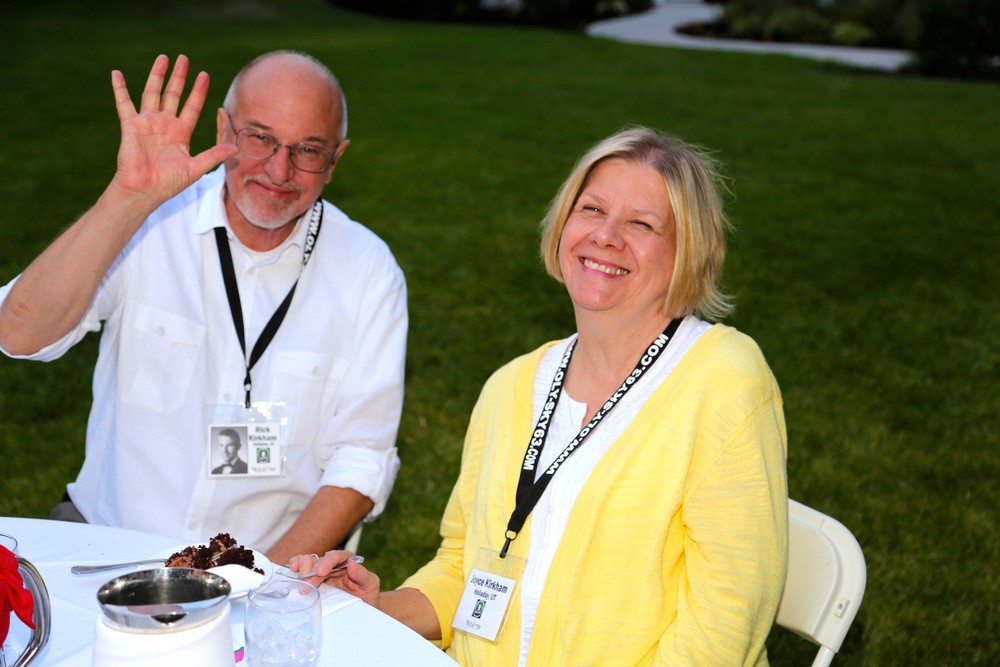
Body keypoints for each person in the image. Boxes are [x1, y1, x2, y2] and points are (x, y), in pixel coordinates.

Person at [293, 128, 788, 665]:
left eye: (642, 224)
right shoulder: (511, 387)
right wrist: (376, 608)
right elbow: (464, 567)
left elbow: (725, 621)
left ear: (687, 250)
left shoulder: (723, 380)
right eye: (592, 209)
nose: (606, 236)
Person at [0, 52, 408, 565]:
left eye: (307, 149)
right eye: (259, 138)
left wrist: (262, 583)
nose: (279, 170)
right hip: (107, 545)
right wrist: (126, 201)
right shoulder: (150, 220)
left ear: (335, 160)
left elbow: (361, 460)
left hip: (258, 566)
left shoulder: (368, 270)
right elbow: (19, 334)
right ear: (222, 129)